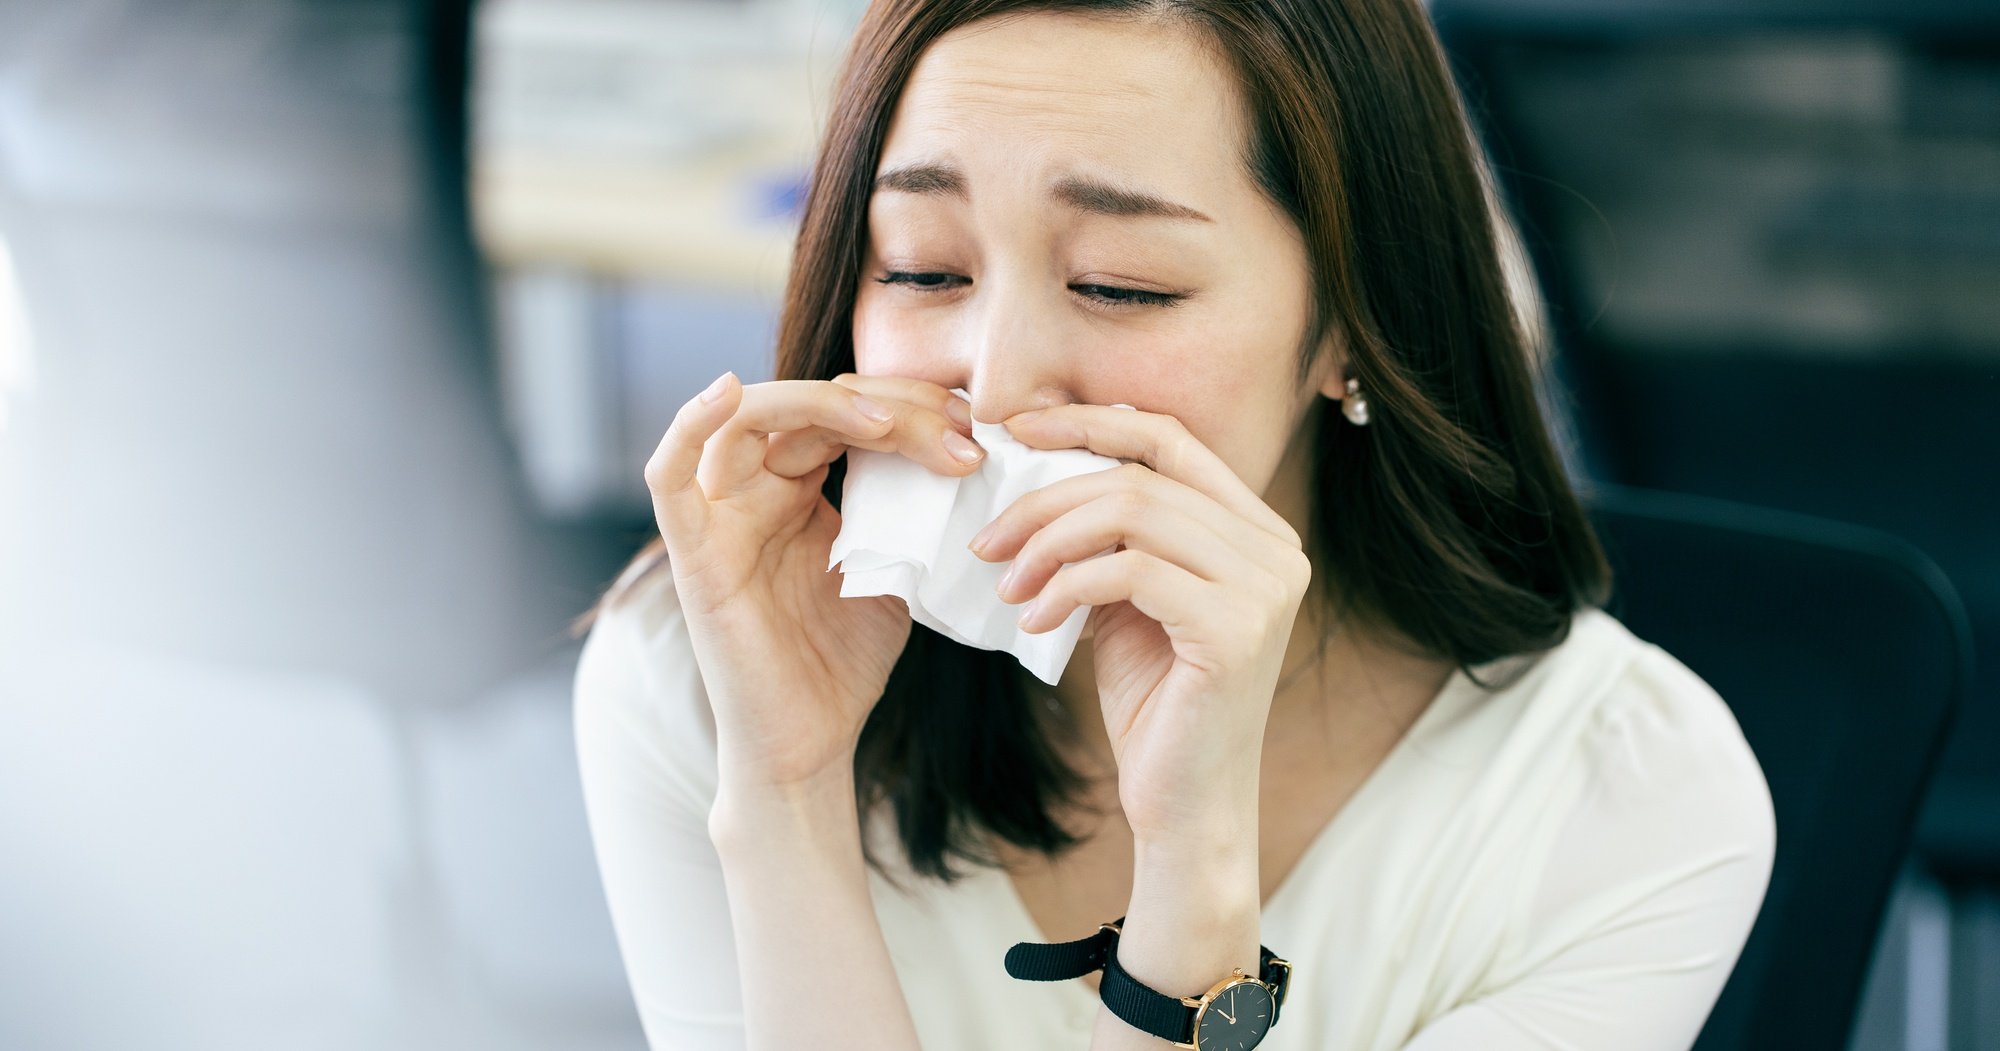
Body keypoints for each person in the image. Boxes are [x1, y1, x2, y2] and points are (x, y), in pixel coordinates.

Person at [570, 0, 1777, 1048]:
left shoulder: (1627, 802)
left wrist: (1192, 871)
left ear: (1352, 326)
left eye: (1119, 284)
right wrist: (786, 792)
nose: (996, 383)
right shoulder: (702, 674)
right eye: (924, 268)